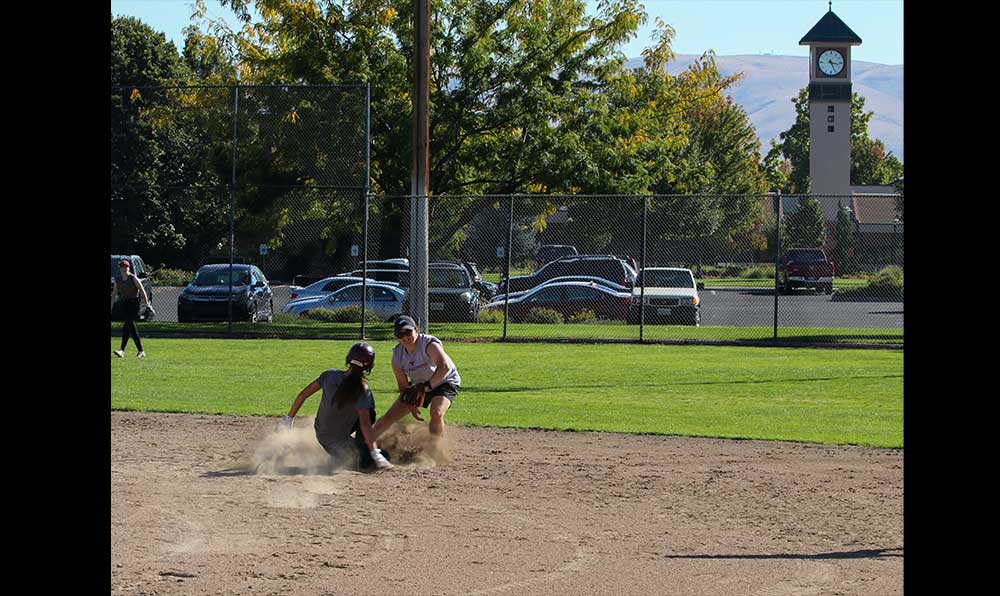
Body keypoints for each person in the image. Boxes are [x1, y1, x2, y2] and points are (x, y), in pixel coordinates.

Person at [278, 342, 393, 471]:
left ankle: (360, 447)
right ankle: (361, 448)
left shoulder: (329, 375)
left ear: (348, 359)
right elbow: (365, 424)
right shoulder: (363, 390)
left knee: (368, 415)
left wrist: (288, 419)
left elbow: (303, 394)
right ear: (370, 365)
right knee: (372, 461)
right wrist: (375, 454)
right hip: (336, 443)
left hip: (321, 432)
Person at [372, 316, 461, 440]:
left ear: (417, 330)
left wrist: (426, 387)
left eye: (408, 332)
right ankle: (365, 446)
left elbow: (444, 367)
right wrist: (410, 404)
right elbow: (403, 386)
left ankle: (435, 449)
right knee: (388, 417)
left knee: (436, 413)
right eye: (400, 334)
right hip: (419, 386)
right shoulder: (397, 356)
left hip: (444, 381)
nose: (405, 337)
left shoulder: (429, 344)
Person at [112, 259, 154, 358]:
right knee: (129, 326)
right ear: (120, 268)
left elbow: (142, 290)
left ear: (128, 268)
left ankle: (122, 350)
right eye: (122, 266)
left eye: (126, 266)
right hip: (124, 304)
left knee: (128, 324)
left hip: (133, 303)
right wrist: (112, 305)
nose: (124, 268)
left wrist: (148, 304)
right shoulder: (117, 279)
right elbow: (114, 294)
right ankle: (140, 351)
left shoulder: (133, 278)